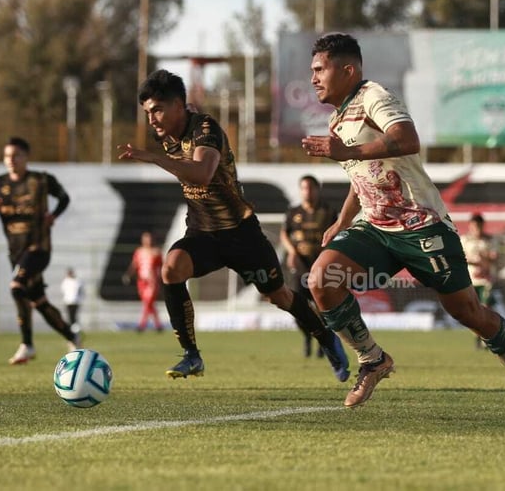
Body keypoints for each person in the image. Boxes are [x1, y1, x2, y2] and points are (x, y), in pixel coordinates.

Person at [301, 33, 505, 420]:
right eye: (312, 70)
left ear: (348, 70)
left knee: (468, 312)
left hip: (423, 226)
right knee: (321, 279)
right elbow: (361, 173)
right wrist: (342, 220)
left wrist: (347, 151)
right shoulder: (337, 117)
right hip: (375, 228)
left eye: (320, 69)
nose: (313, 78)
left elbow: (407, 138)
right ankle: (372, 358)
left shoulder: (375, 97)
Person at [117, 69, 349, 381]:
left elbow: (201, 173)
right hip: (202, 232)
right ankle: (191, 355)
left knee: (279, 296)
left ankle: (325, 337)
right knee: (171, 268)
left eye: (157, 109)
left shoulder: (205, 128)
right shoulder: (169, 138)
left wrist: (154, 158)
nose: (152, 119)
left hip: (241, 234)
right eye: (147, 113)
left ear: (177, 105)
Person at [0, 136, 81, 365]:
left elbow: (64, 198)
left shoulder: (42, 180)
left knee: (17, 287)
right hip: (15, 252)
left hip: (39, 249)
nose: (11, 160)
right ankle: (72, 335)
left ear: (26, 157)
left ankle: (27, 345)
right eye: (7, 156)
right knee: (39, 301)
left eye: (16, 155)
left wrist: (53, 215)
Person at [280, 175, 338, 358]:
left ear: (317, 189)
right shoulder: (293, 212)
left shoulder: (328, 212)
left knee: (323, 307)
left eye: (311, 188)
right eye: (304, 188)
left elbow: (338, 233)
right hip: (299, 266)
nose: (307, 192)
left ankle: (324, 341)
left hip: (320, 267)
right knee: (297, 306)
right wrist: (292, 252)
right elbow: (284, 234)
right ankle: (308, 336)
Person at [460, 213, 499, 349]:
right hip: (469, 280)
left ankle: (487, 339)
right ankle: (479, 337)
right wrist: (474, 261)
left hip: (486, 280)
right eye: (474, 226)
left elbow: (494, 257)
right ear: (470, 226)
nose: (477, 229)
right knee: (472, 312)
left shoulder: (489, 240)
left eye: (479, 226)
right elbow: (460, 258)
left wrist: (485, 259)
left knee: (485, 309)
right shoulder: (465, 240)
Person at [125, 231, 164, 332]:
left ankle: (141, 325)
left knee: (148, 302)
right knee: (148, 303)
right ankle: (158, 325)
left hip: (152, 281)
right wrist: (129, 274)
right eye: (146, 238)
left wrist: (159, 280)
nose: (148, 241)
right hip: (141, 281)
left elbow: (161, 267)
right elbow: (134, 265)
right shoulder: (139, 252)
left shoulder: (156, 252)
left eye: (149, 238)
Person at [60, 267, 85, 332]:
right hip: (68, 301)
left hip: (76, 302)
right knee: (71, 318)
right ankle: (73, 331)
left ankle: (75, 331)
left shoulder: (77, 281)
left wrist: (80, 299)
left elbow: (81, 291)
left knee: (74, 317)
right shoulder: (65, 281)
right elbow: (63, 291)